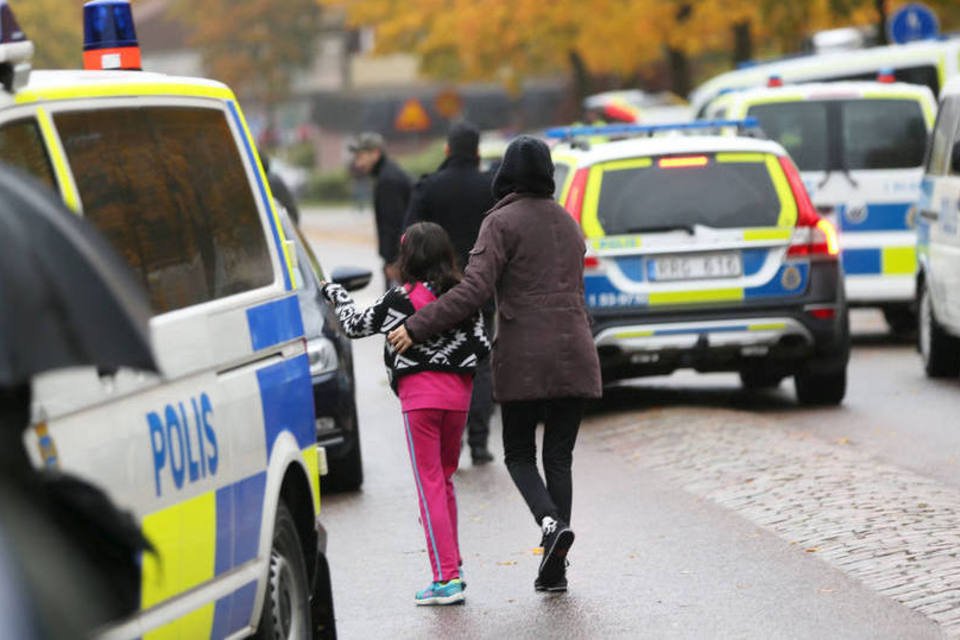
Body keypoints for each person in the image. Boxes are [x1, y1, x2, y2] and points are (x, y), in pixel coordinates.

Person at [388, 136, 602, 593]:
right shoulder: (568, 222)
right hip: (577, 351)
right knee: (559, 457)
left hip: (526, 356)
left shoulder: (501, 222)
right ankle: (555, 569)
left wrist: (418, 324)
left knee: (519, 454)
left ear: (506, 174)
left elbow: (472, 293)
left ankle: (549, 525)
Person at [319, 222, 490, 606]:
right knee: (443, 480)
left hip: (420, 399)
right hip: (459, 396)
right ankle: (453, 565)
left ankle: (446, 579)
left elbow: (353, 325)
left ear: (408, 257)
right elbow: (480, 343)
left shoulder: (400, 298)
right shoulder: (462, 297)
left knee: (429, 483)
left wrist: (336, 293)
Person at [404, 121, 496, 465]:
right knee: (481, 364)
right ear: (476, 153)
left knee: (442, 364)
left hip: (436, 295)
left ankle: (450, 446)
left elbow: (409, 238)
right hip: (481, 290)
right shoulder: (490, 187)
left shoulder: (428, 189)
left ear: (446, 150)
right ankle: (480, 443)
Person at [349, 132, 412, 288]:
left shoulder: (388, 180)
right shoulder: (388, 174)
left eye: (360, 157)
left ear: (375, 153)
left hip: (400, 262)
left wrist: (392, 262)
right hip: (405, 258)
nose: (358, 164)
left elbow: (393, 224)